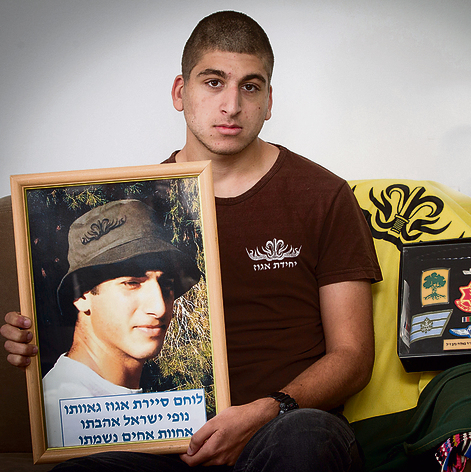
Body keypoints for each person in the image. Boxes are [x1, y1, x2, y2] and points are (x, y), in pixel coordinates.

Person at [1, 10, 382, 471]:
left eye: (250, 86)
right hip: (168, 441)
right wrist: (31, 342)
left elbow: (353, 357)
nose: (231, 106)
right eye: (213, 82)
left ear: (269, 100)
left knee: (307, 437)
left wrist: (271, 408)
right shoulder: (139, 206)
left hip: (283, 430)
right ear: (181, 92)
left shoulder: (322, 196)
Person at [36, 198, 200, 447]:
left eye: (166, 285)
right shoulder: (64, 411)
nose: (160, 308)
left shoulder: (127, 404)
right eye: (132, 283)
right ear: (81, 296)